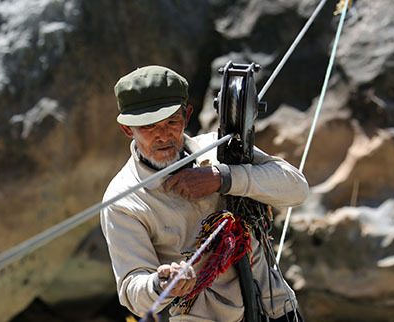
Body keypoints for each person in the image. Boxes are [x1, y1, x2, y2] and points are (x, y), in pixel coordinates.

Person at [100, 65, 309, 322]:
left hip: (277, 309)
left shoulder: (221, 149)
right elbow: (132, 293)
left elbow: (297, 188)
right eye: (149, 127)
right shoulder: (122, 200)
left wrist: (225, 178)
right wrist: (161, 283)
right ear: (127, 130)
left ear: (187, 116)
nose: (163, 135)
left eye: (172, 122)